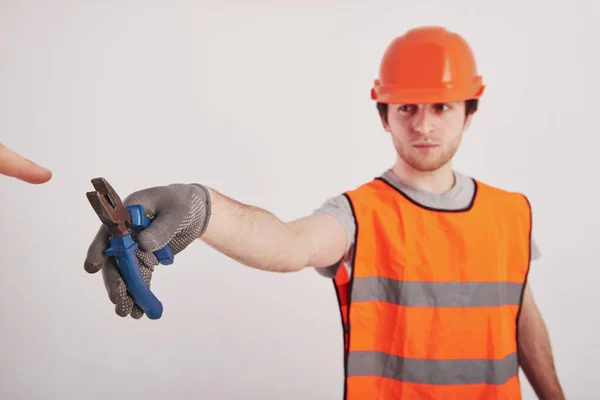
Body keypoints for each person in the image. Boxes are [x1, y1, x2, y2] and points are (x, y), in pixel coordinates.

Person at [84, 26, 564, 399]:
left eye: (441, 106)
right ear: (384, 115)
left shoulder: (511, 213)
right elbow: (287, 245)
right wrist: (200, 206)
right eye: (406, 109)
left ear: (469, 112)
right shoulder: (360, 214)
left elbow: (521, 317)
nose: (423, 125)